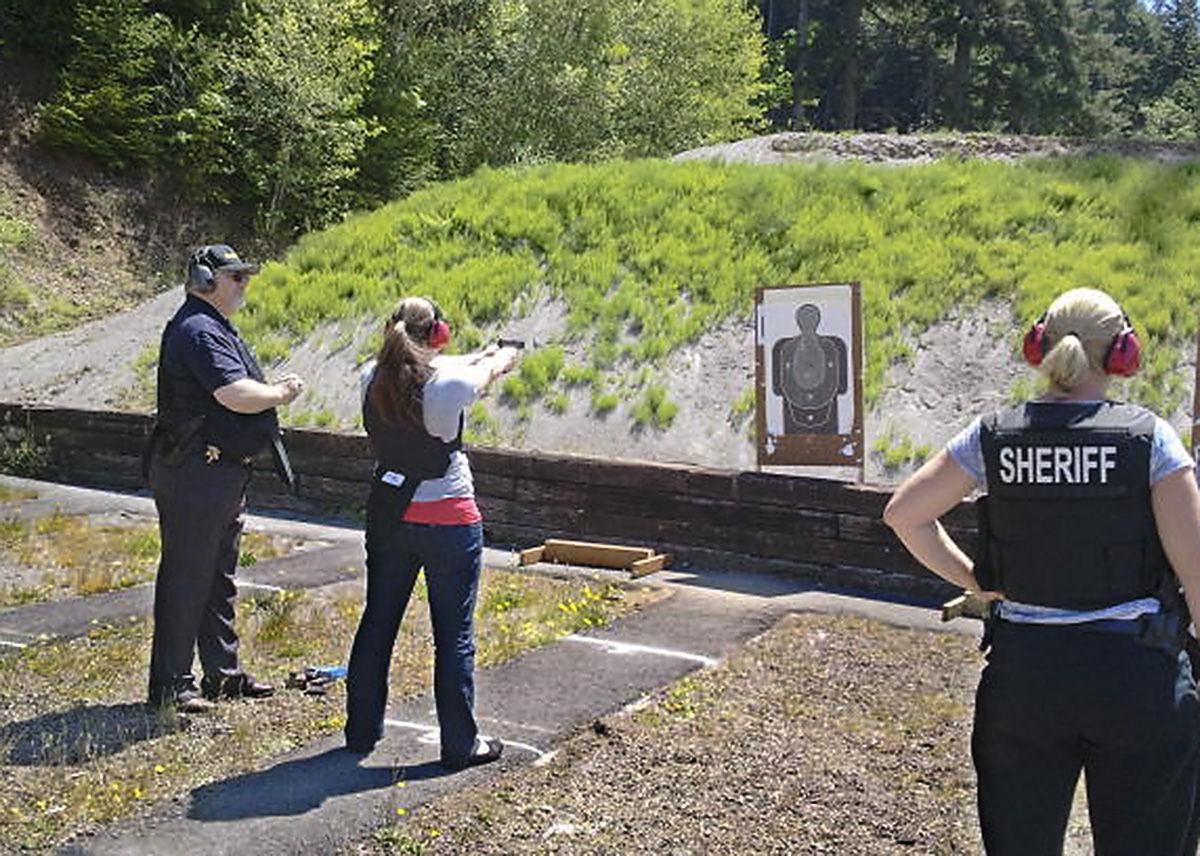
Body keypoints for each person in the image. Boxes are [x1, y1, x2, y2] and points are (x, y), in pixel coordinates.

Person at [884, 287, 1200, 856]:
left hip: (1025, 678)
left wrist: (975, 582)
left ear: (1040, 346)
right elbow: (1196, 571)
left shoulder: (993, 435)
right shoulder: (1151, 439)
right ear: (1122, 353)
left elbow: (905, 515)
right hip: (1138, 677)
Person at [344, 296, 520, 769]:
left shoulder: (370, 375)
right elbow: (477, 375)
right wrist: (500, 359)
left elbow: (437, 366)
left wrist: (480, 354)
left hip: (390, 516)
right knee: (454, 636)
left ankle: (361, 731)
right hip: (449, 523)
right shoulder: (453, 385)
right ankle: (460, 744)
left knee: (378, 621)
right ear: (436, 336)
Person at [146, 244, 304, 714]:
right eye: (235, 276)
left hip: (215, 471)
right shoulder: (198, 329)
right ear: (206, 280)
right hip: (196, 470)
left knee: (216, 577)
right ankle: (171, 684)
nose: (244, 284)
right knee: (187, 577)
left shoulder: (212, 327)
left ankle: (222, 674)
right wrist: (281, 393)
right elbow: (234, 394)